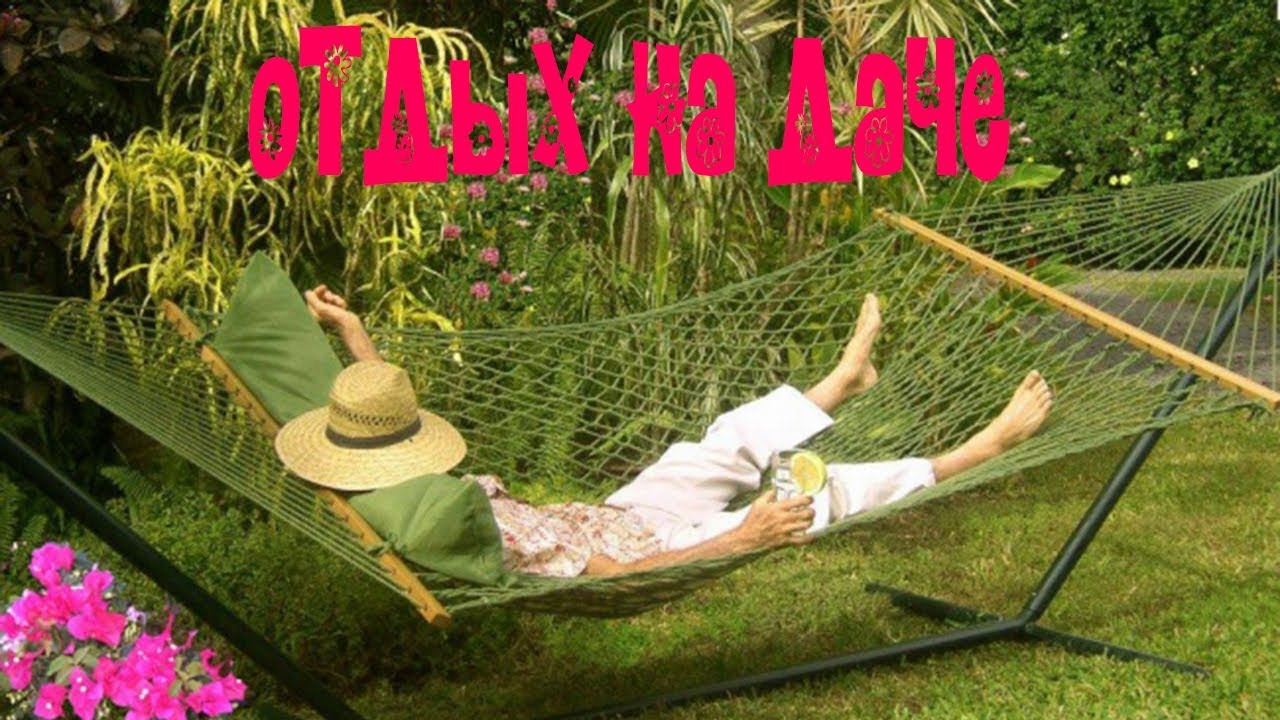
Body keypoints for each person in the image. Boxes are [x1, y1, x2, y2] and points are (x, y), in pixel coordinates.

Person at [275, 286, 1052, 578]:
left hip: (619, 511)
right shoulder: (458, 534)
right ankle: (974, 450)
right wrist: (742, 538)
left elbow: (380, 410)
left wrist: (352, 334)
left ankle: (841, 380)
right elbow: (612, 577)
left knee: (721, 440)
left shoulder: (389, 480)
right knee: (814, 496)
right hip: (650, 547)